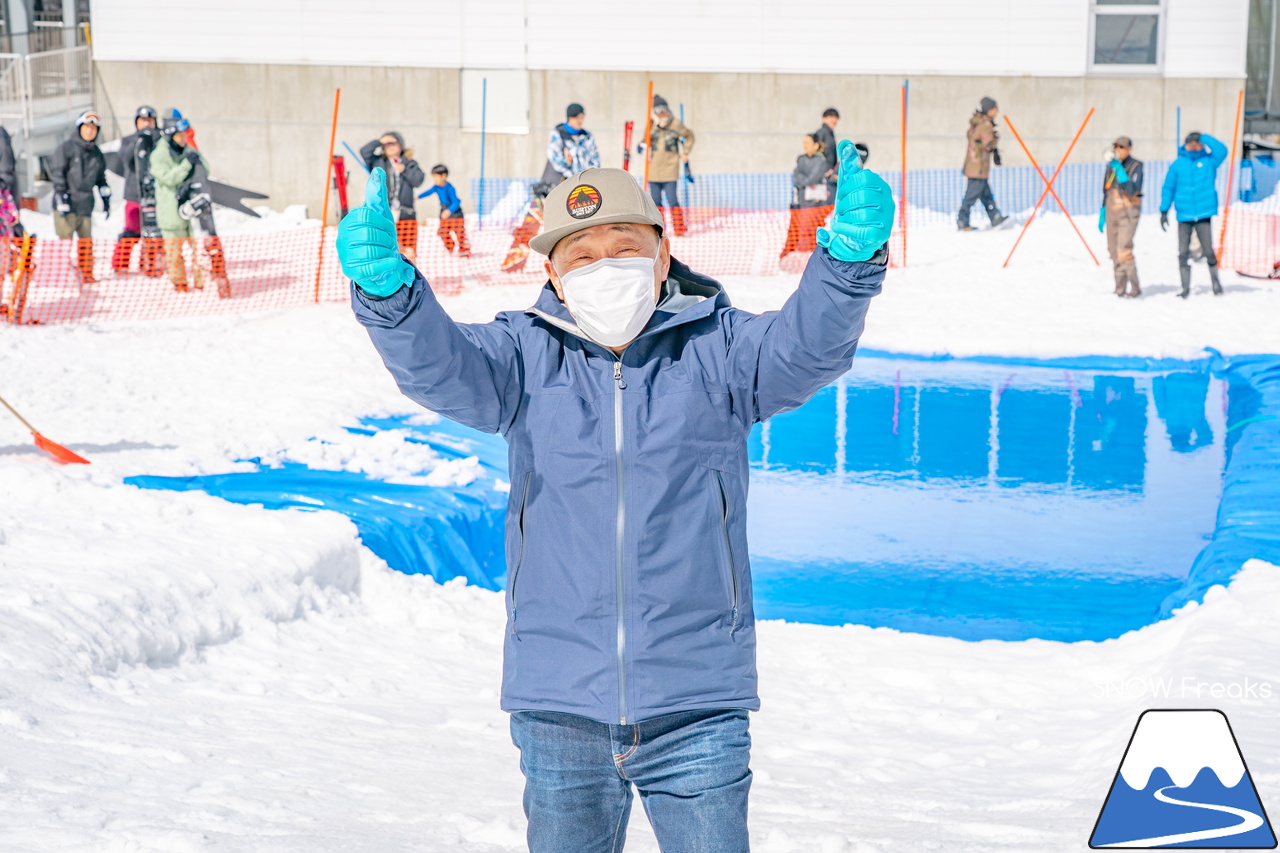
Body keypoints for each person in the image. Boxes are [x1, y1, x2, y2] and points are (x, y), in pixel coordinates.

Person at [337, 140, 893, 852]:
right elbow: (441, 369)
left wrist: (846, 269)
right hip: (559, 703)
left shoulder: (720, 352)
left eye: (623, 246)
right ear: (556, 278)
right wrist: (391, 297)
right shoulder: (522, 357)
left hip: (698, 707)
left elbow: (806, 349)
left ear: (662, 258)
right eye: (582, 255)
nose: (605, 267)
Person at [1160, 131, 1229, 298]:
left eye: (1198, 143)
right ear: (1185, 145)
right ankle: (1185, 288)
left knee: (1208, 250)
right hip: (1184, 215)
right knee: (1183, 251)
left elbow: (1222, 151)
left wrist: (1203, 137)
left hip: (1204, 214)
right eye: (1192, 143)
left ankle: (1215, 282)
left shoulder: (1209, 161)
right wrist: (1164, 210)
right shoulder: (1178, 165)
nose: (1195, 146)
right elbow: (1168, 188)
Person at [150, 111, 209, 292]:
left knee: (197, 251)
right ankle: (180, 283)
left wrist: (196, 163)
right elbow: (168, 178)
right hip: (170, 213)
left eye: (184, 135)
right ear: (170, 134)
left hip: (190, 210)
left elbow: (204, 168)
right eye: (179, 135)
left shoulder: (187, 150)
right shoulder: (158, 155)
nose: (183, 139)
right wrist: (186, 166)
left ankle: (201, 283)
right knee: (174, 253)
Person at [51, 110, 109, 286]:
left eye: (93, 128)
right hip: (67, 204)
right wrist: (61, 195)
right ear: (79, 128)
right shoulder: (66, 148)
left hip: (85, 205)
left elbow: (100, 178)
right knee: (65, 243)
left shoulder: (96, 153)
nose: (90, 131)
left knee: (86, 243)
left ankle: (86, 273)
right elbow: (57, 172)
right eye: (87, 127)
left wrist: (105, 197)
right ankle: (62, 276)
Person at [110, 105, 160, 275]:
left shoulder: (161, 140)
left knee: (153, 233)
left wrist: (154, 138)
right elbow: (125, 159)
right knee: (131, 231)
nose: (146, 124)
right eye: (142, 121)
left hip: (155, 195)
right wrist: (139, 138)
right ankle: (120, 265)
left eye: (149, 120)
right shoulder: (129, 140)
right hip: (134, 194)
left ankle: (149, 265)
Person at [361, 132, 425, 261]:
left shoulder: (409, 163)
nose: (390, 146)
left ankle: (410, 277)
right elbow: (364, 152)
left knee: (409, 249)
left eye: (393, 143)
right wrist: (380, 141)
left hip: (406, 212)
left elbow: (418, 180)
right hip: (384, 212)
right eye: (387, 144)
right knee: (385, 248)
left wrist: (404, 170)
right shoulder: (379, 162)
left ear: (400, 145)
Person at [644, 94, 695, 236]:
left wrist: (685, 153)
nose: (661, 113)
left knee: (672, 200)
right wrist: (641, 147)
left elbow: (690, 136)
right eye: (658, 109)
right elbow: (644, 141)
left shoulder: (675, 124)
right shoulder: (650, 125)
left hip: (670, 169)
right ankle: (659, 230)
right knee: (656, 202)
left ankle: (679, 229)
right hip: (653, 170)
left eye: (663, 109)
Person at [1101, 136, 1144, 298]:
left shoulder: (1136, 166)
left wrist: (1121, 173)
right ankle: (1120, 286)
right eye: (1116, 147)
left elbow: (1133, 190)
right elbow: (1105, 190)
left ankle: (1134, 287)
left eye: (1121, 147)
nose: (1118, 150)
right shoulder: (1110, 167)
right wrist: (1102, 210)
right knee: (1113, 250)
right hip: (1112, 213)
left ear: (1129, 149)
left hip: (1128, 213)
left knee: (1123, 249)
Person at [957, 96, 1007, 231]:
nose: (997, 110)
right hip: (978, 167)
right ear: (990, 109)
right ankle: (962, 221)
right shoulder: (985, 124)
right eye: (995, 107)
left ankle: (995, 217)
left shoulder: (977, 122)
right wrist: (995, 140)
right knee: (971, 195)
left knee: (986, 194)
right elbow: (988, 143)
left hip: (975, 166)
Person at [780, 132, 833, 258]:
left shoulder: (820, 161)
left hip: (815, 205)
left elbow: (811, 179)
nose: (805, 145)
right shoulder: (801, 159)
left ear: (815, 145)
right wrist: (802, 179)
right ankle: (789, 255)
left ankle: (816, 256)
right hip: (800, 202)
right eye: (804, 142)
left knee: (812, 231)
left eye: (808, 142)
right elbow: (795, 176)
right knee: (795, 230)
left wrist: (802, 179)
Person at [540, 103, 600, 189]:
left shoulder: (587, 136)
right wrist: (572, 176)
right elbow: (554, 158)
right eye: (578, 118)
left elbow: (595, 157)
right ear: (570, 117)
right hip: (560, 184)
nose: (580, 121)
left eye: (582, 118)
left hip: (583, 183)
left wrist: (587, 176)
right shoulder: (558, 134)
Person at [419, 164, 470, 256]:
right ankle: (450, 246)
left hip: (455, 213)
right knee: (442, 231)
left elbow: (456, 202)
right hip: (444, 210)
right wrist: (417, 197)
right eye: (433, 177)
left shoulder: (450, 188)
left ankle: (464, 249)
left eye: (436, 177)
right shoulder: (436, 187)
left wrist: (449, 211)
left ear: (444, 176)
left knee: (459, 232)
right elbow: (428, 192)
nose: (434, 179)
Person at [815, 108, 840, 199]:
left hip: (830, 174)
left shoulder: (830, 133)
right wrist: (824, 170)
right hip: (823, 175)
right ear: (824, 119)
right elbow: (816, 153)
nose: (834, 120)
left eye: (836, 118)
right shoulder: (821, 133)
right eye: (831, 117)